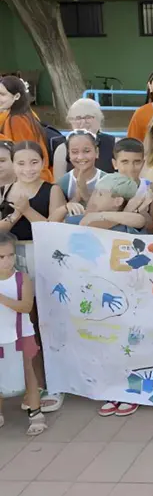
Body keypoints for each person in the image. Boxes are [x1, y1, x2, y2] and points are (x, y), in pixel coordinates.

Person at [0, 142, 67, 414]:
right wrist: (16, 212)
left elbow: (52, 229)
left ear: (43, 163)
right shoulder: (5, 191)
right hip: (11, 260)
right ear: (13, 165)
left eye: (34, 162)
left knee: (45, 319)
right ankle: (32, 382)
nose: (28, 169)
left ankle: (55, 383)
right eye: (21, 163)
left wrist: (26, 210)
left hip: (44, 257)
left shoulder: (53, 190)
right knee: (21, 323)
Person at [0, 231, 45, 435]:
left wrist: (2, 298)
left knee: (29, 372)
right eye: (1, 257)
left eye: (10, 255)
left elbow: (26, 306)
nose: (7, 261)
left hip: (21, 333)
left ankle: (36, 414)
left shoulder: (21, 278)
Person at [0, 77, 52, 183]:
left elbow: (22, 152)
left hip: (31, 178)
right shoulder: (27, 113)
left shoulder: (16, 119)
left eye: (2, 94)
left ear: (17, 96)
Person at [53, 99, 116, 178]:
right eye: (78, 118)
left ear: (99, 119)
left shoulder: (115, 144)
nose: (83, 122)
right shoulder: (62, 149)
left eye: (88, 117)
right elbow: (59, 184)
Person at [56, 130, 106, 217]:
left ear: (96, 152)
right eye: (75, 152)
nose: (80, 157)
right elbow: (55, 219)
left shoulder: (107, 180)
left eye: (86, 151)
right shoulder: (62, 183)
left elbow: (108, 215)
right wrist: (75, 199)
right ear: (69, 154)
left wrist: (85, 194)